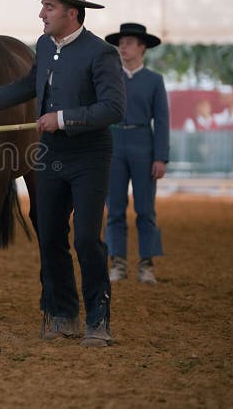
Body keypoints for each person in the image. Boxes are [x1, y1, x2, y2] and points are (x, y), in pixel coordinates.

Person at [0, 0, 125, 347]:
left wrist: (63, 119)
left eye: (48, 7)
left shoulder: (101, 53)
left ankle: (98, 321)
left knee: (87, 239)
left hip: (89, 156)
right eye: (43, 6)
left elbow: (114, 108)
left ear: (72, 13)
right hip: (51, 154)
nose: (41, 13)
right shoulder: (44, 44)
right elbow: (31, 83)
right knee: (51, 237)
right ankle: (63, 315)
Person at [104, 23, 169, 284]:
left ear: (142, 47)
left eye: (129, 42)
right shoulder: (109, 78)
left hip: (144, 143)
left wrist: (161, 157)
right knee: (115, 209)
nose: (123, 47)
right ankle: (117, 263)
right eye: (121, 42)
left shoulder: (154, 80)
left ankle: (147, 265)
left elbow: (162, 121)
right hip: (114, 143)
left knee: (145, 209)